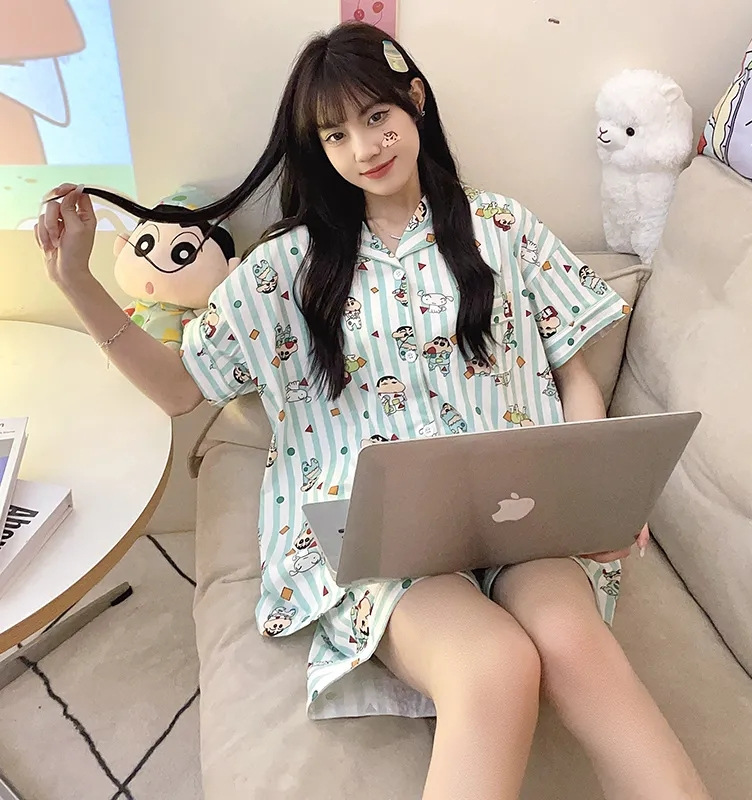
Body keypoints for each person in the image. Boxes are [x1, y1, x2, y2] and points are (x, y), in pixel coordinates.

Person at [36, 22, 711, 800]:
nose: (364, 148)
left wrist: (592, 495)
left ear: (414, 100)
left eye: (377, 116)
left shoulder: (499, 227)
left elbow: (571, 366)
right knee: (493, 667)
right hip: (381, 537)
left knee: (576, 644)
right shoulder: (289, 267)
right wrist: (78, 284)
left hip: (521, 515)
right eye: (336, 134)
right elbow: (183, 387)